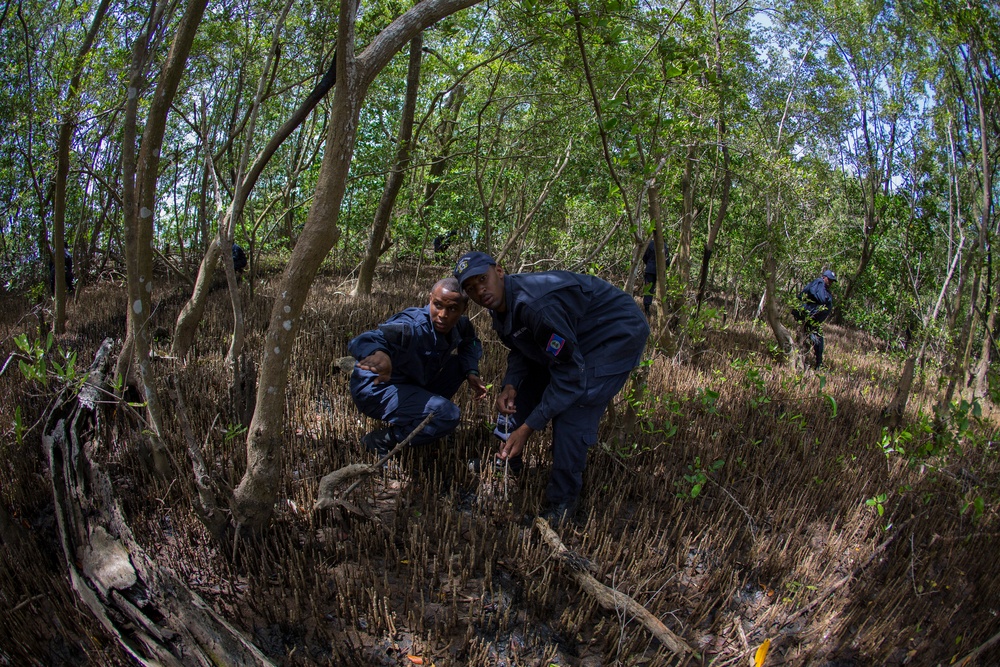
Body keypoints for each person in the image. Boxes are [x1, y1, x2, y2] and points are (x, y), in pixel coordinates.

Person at [455, 251, 650, 525]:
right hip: (575, 330)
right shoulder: (499, 304)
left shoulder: (535, 306)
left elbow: (570, 376)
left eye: (482, 279)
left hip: (615, 332)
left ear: (499, 271)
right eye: (470, 288)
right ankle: (508, 461)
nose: (480, 291)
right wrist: (511, 383)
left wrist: (528, 427)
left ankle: (563, 503)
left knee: (575, 406)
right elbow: (522, 347)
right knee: (524, 386)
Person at [348, 277, 487, 456]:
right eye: (437, 305)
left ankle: (423, 418)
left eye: (452, 309)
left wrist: (471, 371)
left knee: (460, 363)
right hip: (376, 389)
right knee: (447, 414)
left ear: (464, 309)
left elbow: (470, 342)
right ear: (430, 299)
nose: (443, 315)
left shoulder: (461, 325)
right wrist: (379, 354)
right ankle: (381, 440)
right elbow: (365, 339)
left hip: (411, 381)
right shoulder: (412, 325)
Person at [793, 269, 837, 369]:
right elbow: (821, 298)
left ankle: (817, 364)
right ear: (824, 277)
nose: (830, 282)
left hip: (814, 321)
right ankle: (806, 364)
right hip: (809, 318)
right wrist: (828, 300)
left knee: (817, 342)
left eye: (832, 281)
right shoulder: (819, 282)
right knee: (814, 340)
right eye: (829, 279)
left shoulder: (824, 287)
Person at [641, 238, 670, 316]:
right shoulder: (664, 246)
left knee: (648, 289)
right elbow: (667, 261)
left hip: (650, 269)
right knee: (660, 289)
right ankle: (658, 309)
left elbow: (644, 256)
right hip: (659, 271)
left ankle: (647, 307)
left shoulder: (650, 244)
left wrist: (649, 264)